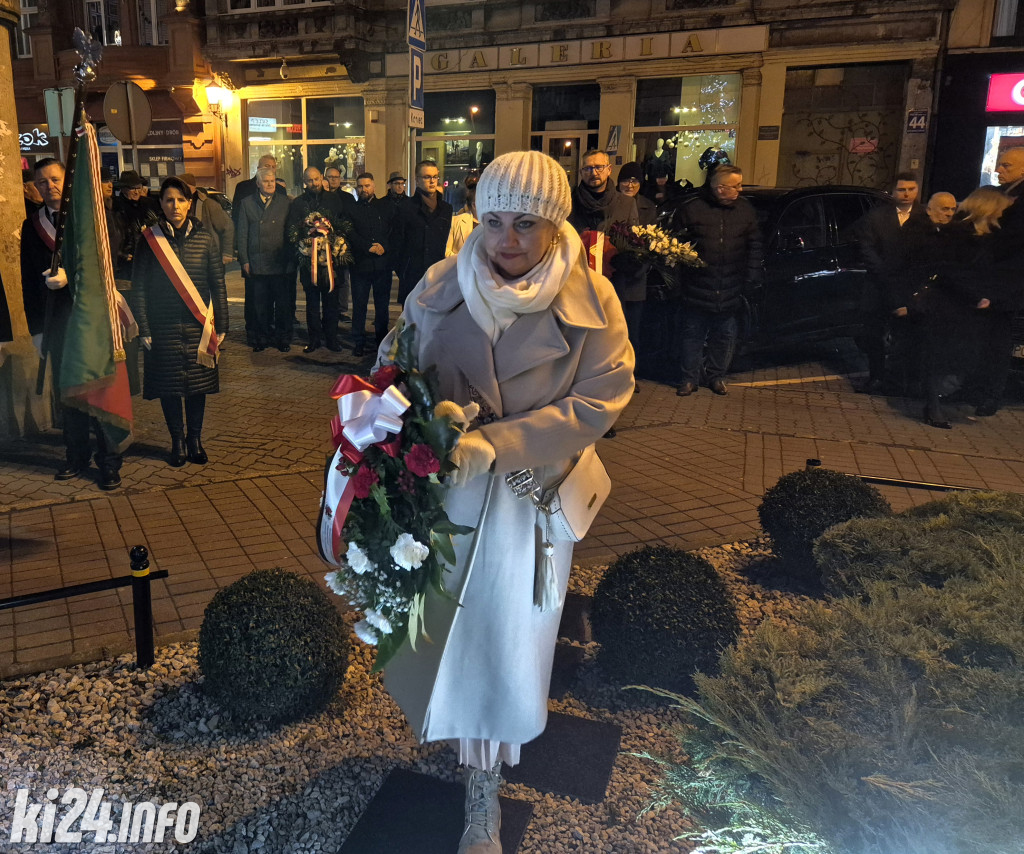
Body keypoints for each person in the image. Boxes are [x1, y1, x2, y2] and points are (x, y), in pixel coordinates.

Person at [377, 150, 634, 854]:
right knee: (445, 639)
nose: (506, 240)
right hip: (445, 500)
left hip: (528, 503)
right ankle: (465, 758)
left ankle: (482, 794)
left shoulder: (593, 300)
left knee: (504, 647)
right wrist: (396, 423)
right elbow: (389, 366)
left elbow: (603, 397)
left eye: (526, 221)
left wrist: (503, 443)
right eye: (492, 220)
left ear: (556, 224)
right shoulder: (438, 285)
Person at [20, 158, 124, 489]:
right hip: (58, 324)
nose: (48, 186)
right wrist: (36, 329)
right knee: (70, 398)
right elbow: (26, 281)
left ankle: (108, 461)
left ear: (68, 181)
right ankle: (76, 455)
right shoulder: (31, 225)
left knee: (99, 392)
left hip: (91, 321)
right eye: (41, 182)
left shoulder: (92, 218)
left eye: (54, 179)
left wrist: (72, 278)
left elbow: (109, 263)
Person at [130, 176, 228, 467]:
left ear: (190, 203)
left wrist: (221, 324)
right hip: (162, 326)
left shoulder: (206, 238)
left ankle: (195, 440)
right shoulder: (149, 240)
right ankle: (176, 440)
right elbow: (139, 287)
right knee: (170, 387)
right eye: (169, 200)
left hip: (199, 326)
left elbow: (217, 284)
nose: (175, 205)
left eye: (181, 200)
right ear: (161, 203)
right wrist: (144, 327)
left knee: (197, 387)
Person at [675, 163, 762, 397]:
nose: (740, 190)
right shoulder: (693, 210)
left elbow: (754, 246)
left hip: (731, 287)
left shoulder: (745, 211)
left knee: (724, 337)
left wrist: (751, 277)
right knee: (692, 336)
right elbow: (676, 247)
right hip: (697, 287)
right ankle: (689, 379)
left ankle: (716, 376)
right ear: (720, 188)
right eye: (736, 185)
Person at [853, 171, 926, 394]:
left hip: (909, 286)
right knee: (873, 334)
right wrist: (883, 272)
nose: (906, 194)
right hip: (878, 284)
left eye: (911, 189)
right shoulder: (876, 217)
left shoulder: (924, 217)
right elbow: (867, 247)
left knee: (907, 336)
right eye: (901, 189)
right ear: (893, 191)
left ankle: (905, 381)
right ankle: (877, 377)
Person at [287, 166, 347, 352]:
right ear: (304, 182)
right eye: (309, 181)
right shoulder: (298, 203)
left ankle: (331, 338)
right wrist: (304, 243)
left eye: (316, 179)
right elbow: (292, 229)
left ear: (322, 178)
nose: (313, 183)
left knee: (331, 303)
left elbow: (342, 225)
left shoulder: (333, 199)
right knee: (312, 304)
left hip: (331, 263)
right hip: (309, 262)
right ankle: (314, 339)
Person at [237, 167, 294, 352]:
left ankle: (282, 338)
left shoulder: (285, 202)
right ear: (258, 184)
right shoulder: (247, 203)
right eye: (266, 181)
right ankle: (261, 338)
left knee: (283, 305)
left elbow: (290, 233)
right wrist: (244, 259)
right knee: (260, 305)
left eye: (272, 181)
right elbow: (242, 234)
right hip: (257, 263)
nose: (270, 184)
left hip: (279, 262)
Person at [347, 172, 395, 357]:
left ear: (374, 186)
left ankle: (381, 341)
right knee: (359, 305)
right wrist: (368, 247)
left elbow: (393, 231)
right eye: (360, 186)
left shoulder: (385, 206)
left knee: (382, 306)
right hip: (361, 265)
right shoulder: (352, 209)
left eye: (367, 185)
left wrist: (384, 246)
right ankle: (358, 341)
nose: (363, 189)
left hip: (382, 265)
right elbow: (350, 234)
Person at [394, 160, 452, 306]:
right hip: (412, 274)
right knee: (410, 321)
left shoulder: (446, 209)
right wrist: (403, 271)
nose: (432, 181)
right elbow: (397, 242)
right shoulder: (405, 208)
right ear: (417, 180)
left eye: (434, 177)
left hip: (437, 275)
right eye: (427, 177)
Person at [613, 161, 657, 354]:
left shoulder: (648, 207)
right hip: (612, 273)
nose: (629, 185)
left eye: (634, 181)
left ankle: (631, 375)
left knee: (632, 331)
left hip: (636, 278)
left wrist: (639, 264)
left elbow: (653, 241)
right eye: (625, 180)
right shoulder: (611, 202)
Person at [179, 173, 234, 265]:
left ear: (191, 187)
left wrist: (227, 253)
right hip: (186, 256)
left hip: (208, 255)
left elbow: (227, 227)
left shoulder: (209, 204)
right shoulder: (178, 204)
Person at [446, 175, 479, 256]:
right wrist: (464, 262)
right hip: (458, 267)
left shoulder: (493, 225)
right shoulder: (455, 221)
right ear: (474, 205)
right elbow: (446, 251)